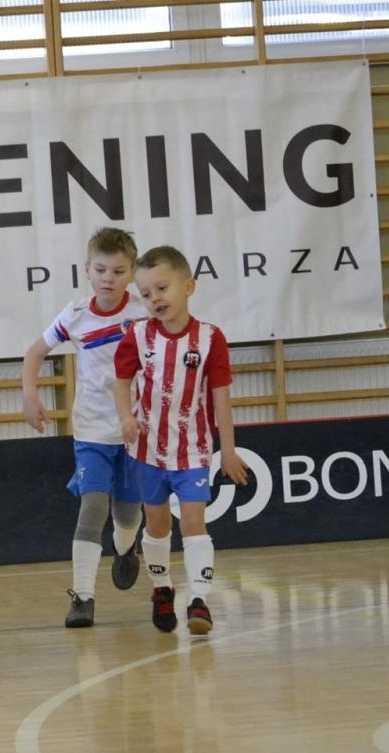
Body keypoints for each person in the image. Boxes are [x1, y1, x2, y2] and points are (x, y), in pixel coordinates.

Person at [113, 246, 247, 635]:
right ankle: (161, 588)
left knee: (193, 521)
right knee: (156, 526)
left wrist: (229, 449)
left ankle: (200, 600)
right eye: (146, 293)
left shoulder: (210, 339)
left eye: (162, 288)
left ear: (188, 286)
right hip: (148, 451)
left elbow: (221, 395)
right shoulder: (137, 335)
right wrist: (126, 417)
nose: (155, 299)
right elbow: (122, 381)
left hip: (192, 450)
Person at [20, 227, 147, 629]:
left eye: (118, 270)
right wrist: (30, 395)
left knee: (127, 515)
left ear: (131, 274)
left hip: (135, 430)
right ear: (87, 271)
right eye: (101, 269)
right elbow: (35, 352)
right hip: (92, 430)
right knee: (92, 508)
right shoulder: (75, 315)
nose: (109, 277)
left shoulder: (143, 312)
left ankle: (126, 549)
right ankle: (83, 597)